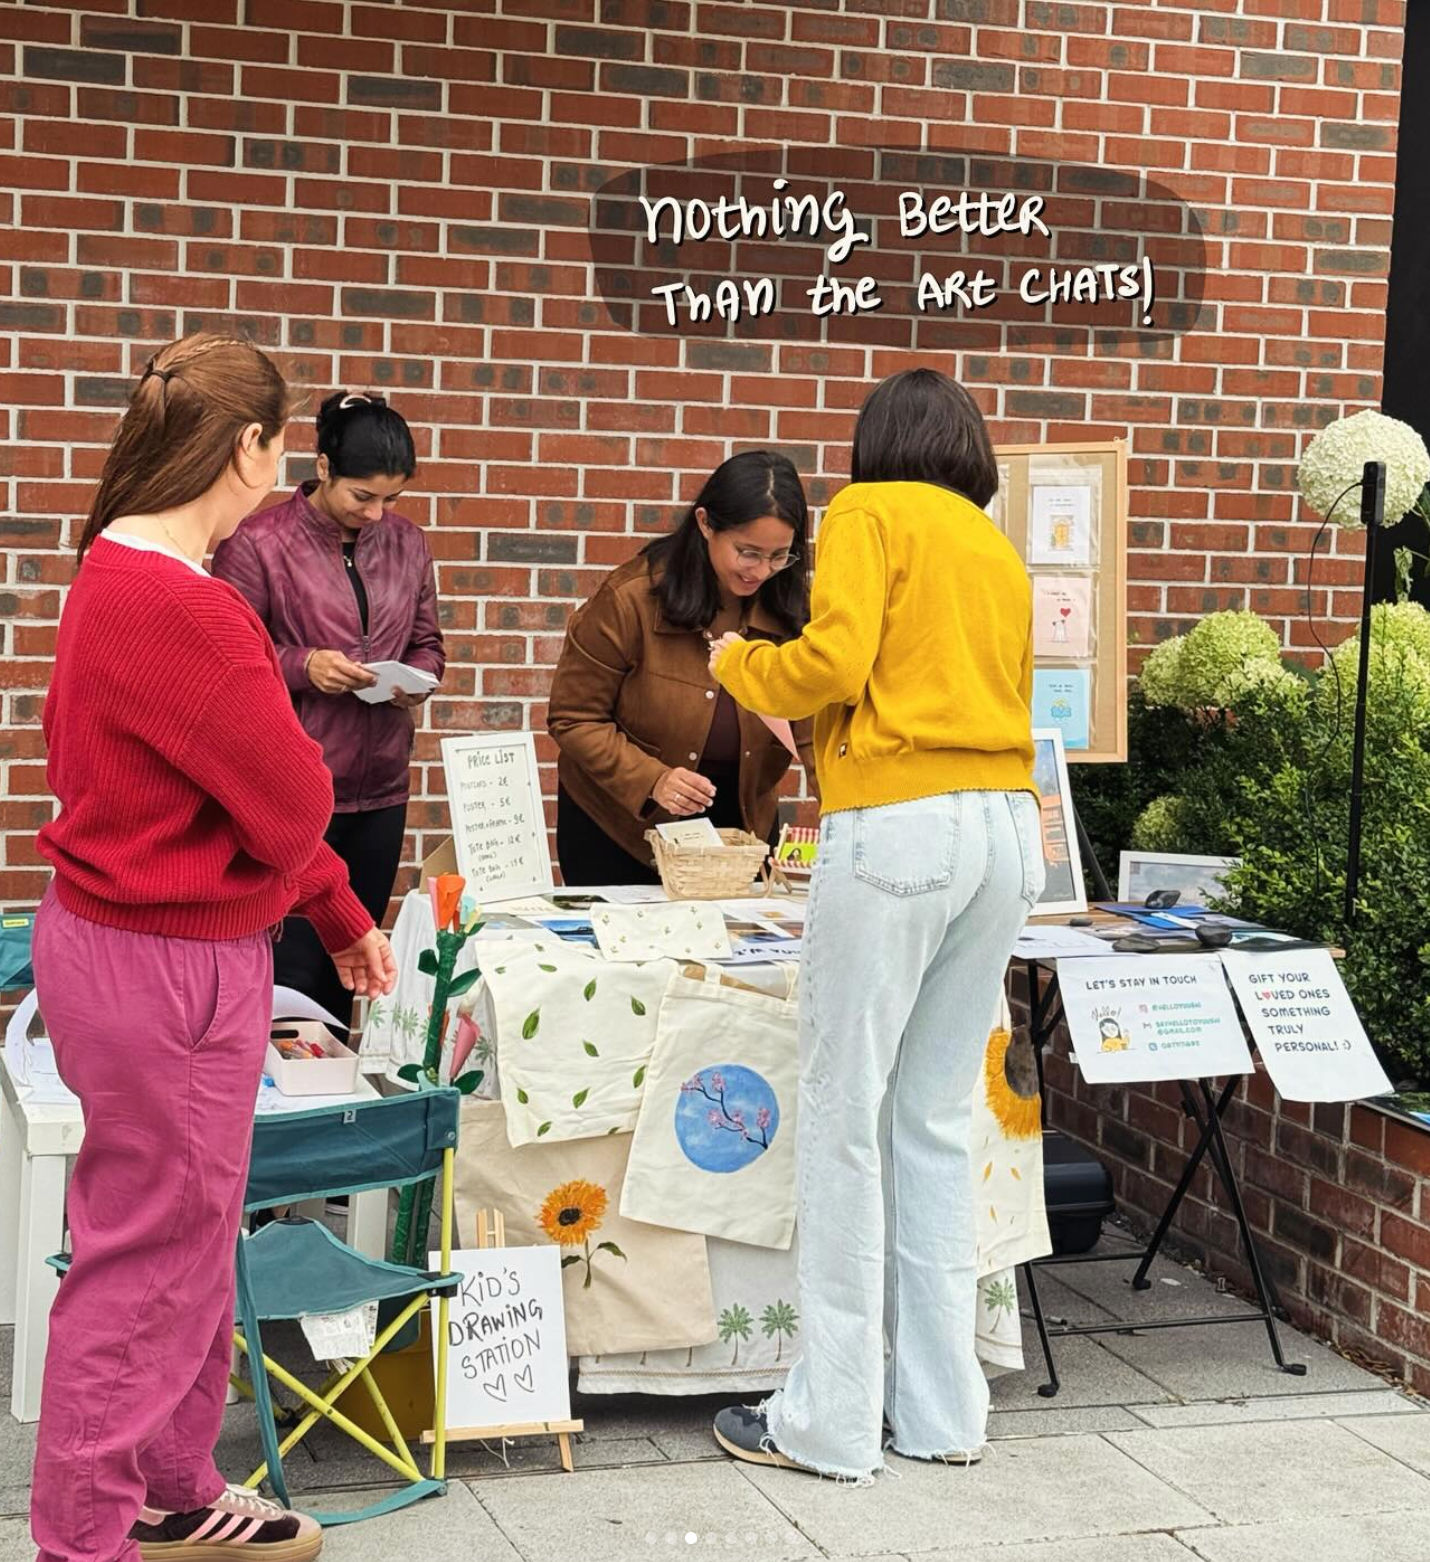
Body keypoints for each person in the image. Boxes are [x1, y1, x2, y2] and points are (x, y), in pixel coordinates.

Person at [31, 333, 396, 1562]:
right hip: (169, 958)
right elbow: (289, 803)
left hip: (128, 942)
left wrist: (336, 911)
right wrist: (329, 887)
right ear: (248, 447)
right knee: (150, 1255)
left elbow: (231, 799)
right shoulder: (187, 607)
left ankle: (170, 1486)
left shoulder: (113, 569)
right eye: (279, 443)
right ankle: (87, 1534)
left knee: (180, 1237)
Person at [707, 369, 1043, 1481]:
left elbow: (832, 663)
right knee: (933, 1120)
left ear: (877, 441)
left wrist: (740, 663)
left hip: (899, 823)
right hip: (1006, 828)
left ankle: (831, 1420)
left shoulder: (866, 511)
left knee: (844, 1114)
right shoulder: (993, 544)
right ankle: (942, 1412)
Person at [213, 392, 443, 1038]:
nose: (376, 514)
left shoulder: (408, 543)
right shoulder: (257, 544)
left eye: (391, 499)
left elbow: (428, 642)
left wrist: (416, 681)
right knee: (287, 975)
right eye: (362, 496)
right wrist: (303, 666)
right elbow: (228, 661)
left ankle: (329, 1090)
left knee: (351, 969)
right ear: (322, 468)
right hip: (292, 793)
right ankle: (264, 1093)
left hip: (381, 792)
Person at [548, 450, 816, 886]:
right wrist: (653, 780)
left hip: (739, 830)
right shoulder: (630, 599)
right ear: (705, 523)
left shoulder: (794, 613)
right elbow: (573, 717)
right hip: (621, 827)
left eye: (780, 556)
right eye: (747, 552)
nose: (762, 571)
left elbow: (815, 728)